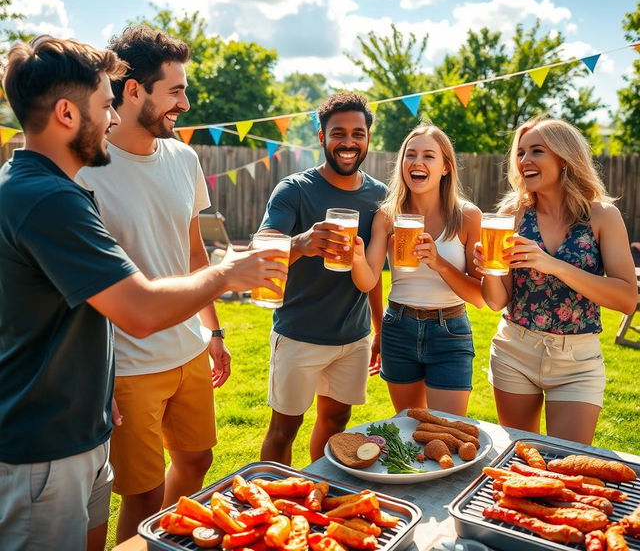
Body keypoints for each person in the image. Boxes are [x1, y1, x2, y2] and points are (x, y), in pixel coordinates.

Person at [0, 36, 287, 551]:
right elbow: (136, 309)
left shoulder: (55, 190)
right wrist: (226, 275)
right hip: (41, 446)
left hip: (79, 426)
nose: (111, 118)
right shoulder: (46, 200)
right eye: (104, 105)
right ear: (67, 113)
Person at [75, 25, 227, 542]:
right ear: (134, 89)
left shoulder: (184, 158)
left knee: (197, 460)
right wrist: (95, 376)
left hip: (187, 350)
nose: (185, 102)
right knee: (137, 491)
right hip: (128, 363)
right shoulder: (84, 169)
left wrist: (215, 331)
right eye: (176, 90)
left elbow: (192, 252)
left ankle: (165, 539)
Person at [476, 116, 637, 445]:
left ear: (565, 158)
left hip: (577, 361)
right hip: (515, 350)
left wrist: (555, 265)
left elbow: (626, 298)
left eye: (537, 151)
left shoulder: (601, 216)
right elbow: (496, 301)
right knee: (522, 459)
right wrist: (489, 270)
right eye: (520, 153)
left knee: (568, 466)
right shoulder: (512, 215)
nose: (524, 161)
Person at [258, 92, 388, 465]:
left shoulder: (380, 196)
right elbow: (263, 245)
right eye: (339, 133)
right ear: (321, 137)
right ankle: (274, 500)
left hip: (352, 337)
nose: (348, 142)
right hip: (299, 333)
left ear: (367, 138)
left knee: (336, 423)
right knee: (285, 428)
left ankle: (320, 489)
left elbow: (375, 273)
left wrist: (378, 329)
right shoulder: (294, 190)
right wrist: (301, 242)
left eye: (358, 134)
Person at [350, 123, 484, 417]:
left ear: (446, 167)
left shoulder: (467, 216)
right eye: (410, 155)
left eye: (428, 156)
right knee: (410, 428)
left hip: (449, 330)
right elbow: (367, 281)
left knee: (447, 428)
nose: (417, 163)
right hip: (398, 327)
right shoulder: (388, 215)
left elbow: (481, 297)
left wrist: (438, 263)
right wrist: (357, 256)